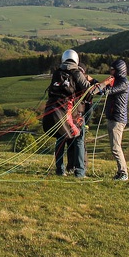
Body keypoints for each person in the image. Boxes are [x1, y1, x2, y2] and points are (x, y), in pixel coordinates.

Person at [42, 49, 96, 178]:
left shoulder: (57, 73)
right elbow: (88, 90)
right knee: (78, 138)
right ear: (76, 60)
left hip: (53, 111)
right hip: (68, 113)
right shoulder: (76, 73)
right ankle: (80, 172)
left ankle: (60, 170)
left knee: (60, 139)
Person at [100, 59, 129, 181]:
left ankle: (123, 173)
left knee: (115, 147)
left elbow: (109, 91)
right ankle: (120, 172)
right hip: (113, 118)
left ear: (119, 70)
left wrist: (102, 86)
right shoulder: (117, 81)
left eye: (112, 69)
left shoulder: (123, 82)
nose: (110, 71)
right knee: (114, 147)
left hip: (118, 119)